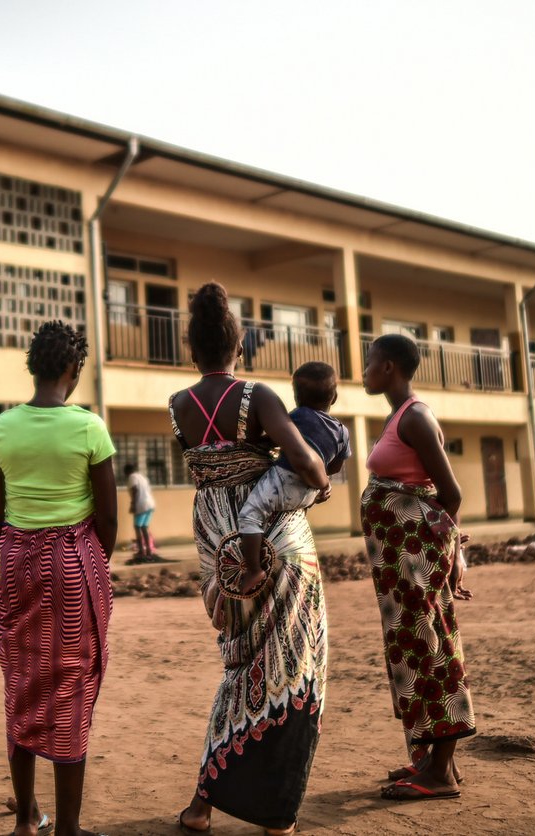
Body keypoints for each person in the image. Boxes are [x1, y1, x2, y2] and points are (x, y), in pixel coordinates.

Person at [169, 283, 331, 836]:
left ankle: (202, 806)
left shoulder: (177, 406)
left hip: (219, 547)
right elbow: (303, 458)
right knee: (296, 665)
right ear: (239, 350)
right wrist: (321, 479)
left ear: (193, 352)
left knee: (238, 661)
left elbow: (201, 466)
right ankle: (275, 814)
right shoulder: (256, 395)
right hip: (273, 539)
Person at [0, 321, 118, 836]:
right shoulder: (88, 428)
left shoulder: (0, 429)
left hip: (16, 558)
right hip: (73, 562)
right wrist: (86, 560)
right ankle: (67, 827)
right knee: (71, 687)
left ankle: (24, 820)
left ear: (33, 366)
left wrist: (22, 546)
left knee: (20, 682)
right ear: (72, 369)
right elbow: (108, 520)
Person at [360, 333, 476, 802]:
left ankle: (442, 772)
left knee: (432, 645)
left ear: (388, 366)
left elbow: (451, 494)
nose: (364, 370)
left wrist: (451, 554)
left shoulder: (417, 418)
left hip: (416, 562)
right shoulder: (397, 416)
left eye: (369, 362)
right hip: (400, 566)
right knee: (412, 647)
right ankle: (428, 757)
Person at [236, 362, 350, 570]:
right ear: (334, 397)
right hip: (309, 494)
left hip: (282, 481)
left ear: (297, 397)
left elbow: (272, 439)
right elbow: (334, 468)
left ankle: (253, 569)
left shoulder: (297, 416)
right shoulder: (343, 432)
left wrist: (253, 441)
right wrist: (323, 481)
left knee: (250, 515)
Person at [125, 462, 159, 562]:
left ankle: (141, 551)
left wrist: (133, 504)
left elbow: (135, 490)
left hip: (141, 505)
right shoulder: (142, 477)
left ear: (127, 471)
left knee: (137, 527)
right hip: (150, 504)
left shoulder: (132, 477)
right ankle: (148, 550)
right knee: (144, 527)